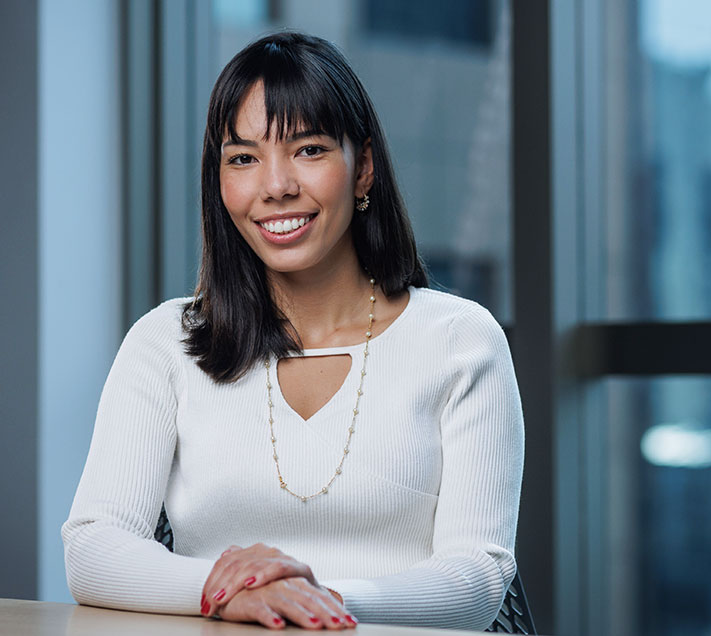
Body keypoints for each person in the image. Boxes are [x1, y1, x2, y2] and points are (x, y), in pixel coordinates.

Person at [62, 31, 524, 631]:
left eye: (308, 150)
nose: (275, 186)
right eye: (244, 158)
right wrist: (222, 590)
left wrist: (312, 600)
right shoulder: (165, 344)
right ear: (219, 180)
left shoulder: (462, 341)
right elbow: (93, 547)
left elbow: (478, 580)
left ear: (364, 170)